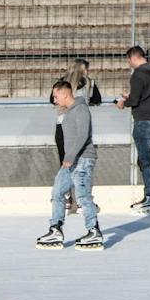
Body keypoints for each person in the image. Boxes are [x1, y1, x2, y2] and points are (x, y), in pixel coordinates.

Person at [36, 81, 102, 251]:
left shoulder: (81, 109)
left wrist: (70, 157)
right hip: (70, 161)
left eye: (56, 96)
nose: (55, 100)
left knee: (82, 196)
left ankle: (93, 230)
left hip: (82, 160)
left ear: (65, 94)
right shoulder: (69, 112)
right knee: (58, 192)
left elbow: (83, 135)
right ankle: (56, 228)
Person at [116, 45, 150, 214]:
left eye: (129, 61)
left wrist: (123, 102)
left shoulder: (138, 74)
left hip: (143, 119)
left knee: (144, 160)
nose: (129, 64)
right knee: (144, 159)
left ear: (134, 58)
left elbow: (135, 100)